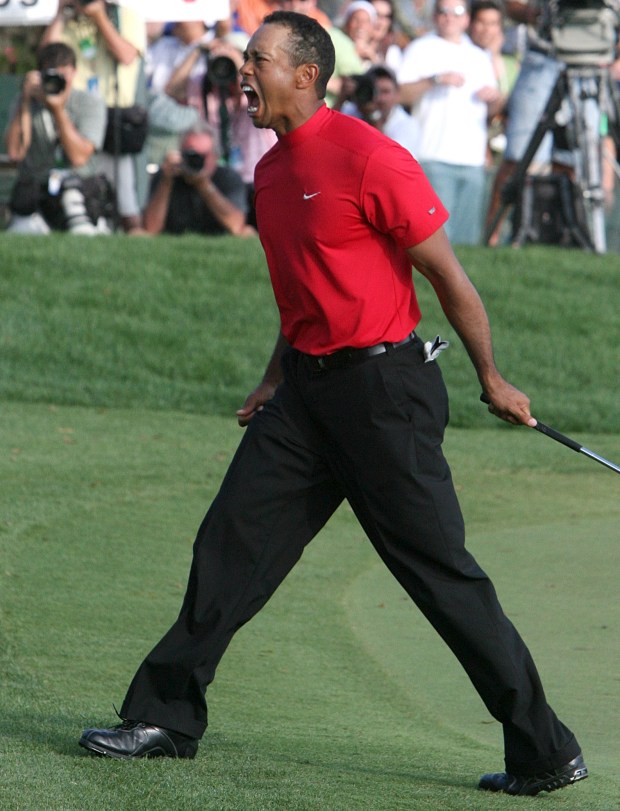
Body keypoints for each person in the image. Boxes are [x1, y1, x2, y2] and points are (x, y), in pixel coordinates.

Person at [79, 10, 587, 799]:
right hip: (307, 394)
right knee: (231, 540)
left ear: (306, 74)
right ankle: (164, 717)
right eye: (243, 60)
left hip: (387, 395)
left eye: (257, 60)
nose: (241, 72)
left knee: (439, 575)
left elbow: (449, 279)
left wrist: (493, 375)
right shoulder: (272, 173)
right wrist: (272, 379)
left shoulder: (368, 156)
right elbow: (300, 299)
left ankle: (545, 749)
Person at [397, 0, 502, 245]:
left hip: (472, 160)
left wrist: (494, 98)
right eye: (443, 11)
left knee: (466, 244)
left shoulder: (479, 56)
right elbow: (400, 94)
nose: (449, 17)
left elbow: (493, 109)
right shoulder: (420, 48)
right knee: (437, 240)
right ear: (435, 16)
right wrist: (434, 80)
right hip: (433, 155)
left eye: (456, 12)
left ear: (467, 19)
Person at [41, 0, 147, 233]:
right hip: (73, 111)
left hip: (113, 115)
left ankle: (132, 237)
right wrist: (61, 13)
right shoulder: (69, 16)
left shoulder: (124, 15)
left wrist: (99, 16)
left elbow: (126, 55)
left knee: (126, 203)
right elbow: (46, 57)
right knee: (76, 184)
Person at [4, 42, 110, 235]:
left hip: (79, 187)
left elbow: (79, 158)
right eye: (51, 75)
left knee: (73, 201)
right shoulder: (25, 102)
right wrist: (26, 104)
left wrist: (58, 111)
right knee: (22, 232)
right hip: (35, 188)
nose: (58, 82)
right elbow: (14, 153)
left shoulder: (89, 102)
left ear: (74, 73)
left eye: (63, 75)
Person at [142, 122, 255, 237]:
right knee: (136, 233)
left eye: (203, 156)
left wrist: (204, 185)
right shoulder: (167, 176)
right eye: (191, 154)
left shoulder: (228, 178)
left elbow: (236, 226)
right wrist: (166, 182)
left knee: (247, 233)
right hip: (173, 242)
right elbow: (150, 229)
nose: (197, 160)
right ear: (181, 153)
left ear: (215, 156)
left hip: (218, 240)